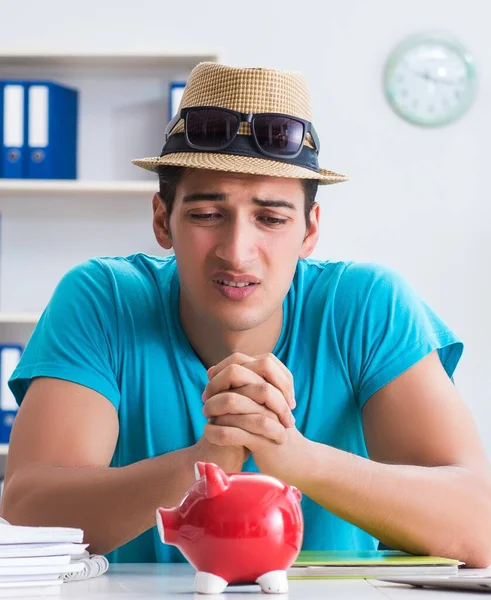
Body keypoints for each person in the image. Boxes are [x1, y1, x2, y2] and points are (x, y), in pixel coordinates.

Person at [1, 62, 490, 567]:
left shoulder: (367, 305)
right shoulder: (104, 299)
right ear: (161, 221)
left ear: (309, 230)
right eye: (207, 215)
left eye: (271, 218)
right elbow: (25, 516)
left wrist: (297, 457)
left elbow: (480, 528)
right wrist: (202, 463)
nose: (237, 252)